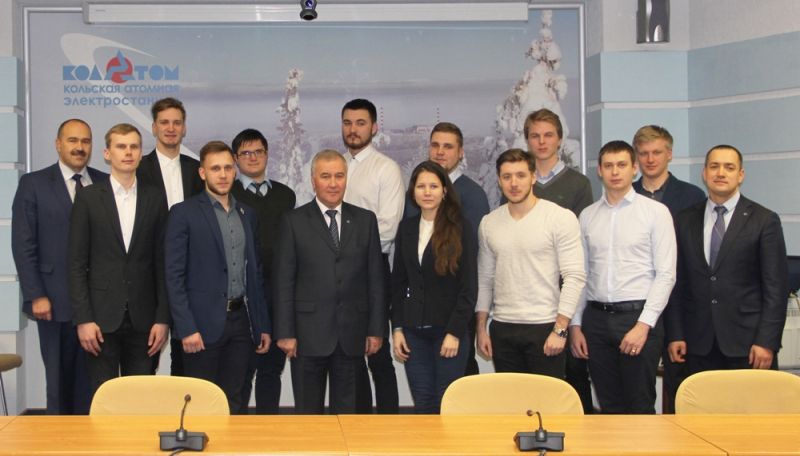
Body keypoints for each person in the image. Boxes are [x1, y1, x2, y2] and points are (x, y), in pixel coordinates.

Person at [273, 149, 385, 414]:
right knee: (308, 415)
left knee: (347, 415)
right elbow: (283, 281)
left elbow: (375, 280)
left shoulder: (365, 221)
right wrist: (285, 332)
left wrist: (376, 329)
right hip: (306, 336)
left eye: (339, 176)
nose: (333, 183)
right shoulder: (293, 221)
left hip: (351, 335)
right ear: (313, 180)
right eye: (325, 176)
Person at [165, 140, 271, 413]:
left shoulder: (248, 214)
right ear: (203, 173)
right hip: (201, 326)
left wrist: (261, 325)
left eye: (227, 168)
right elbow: (174, 276)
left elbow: (255, 274)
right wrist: (186, 327)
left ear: (235, 171)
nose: (222, 175)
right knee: (200, 404)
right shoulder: (183, 213)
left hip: (241, 323)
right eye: (215, 169)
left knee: (234, 399)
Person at [570, 140, 676, 414]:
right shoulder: (587, 216)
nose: (615, 172)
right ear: (599, 171)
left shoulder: (655, 213)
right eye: (608, 166)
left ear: (634, 168)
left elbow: (666, 275)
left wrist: (643, 325)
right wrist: (576, 325)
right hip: (596, 321)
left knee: (639, 405)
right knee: (609, 407)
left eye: (621, 165)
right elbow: (581, 274)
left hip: (637, 318)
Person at [11, 119, 107, 414]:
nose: (80, 147)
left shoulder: (105, 182)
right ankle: (60, 438)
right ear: (58, 144)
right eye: (72, 140)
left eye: (86, 141)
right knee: (59, 382)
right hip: (54, 301)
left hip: (99, 304)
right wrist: (36, 294)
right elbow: (23, 244)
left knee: (95, 386)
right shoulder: (34, 184)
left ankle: (92, 438)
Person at [666, 145, 788, 375]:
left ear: (740, 175)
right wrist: (675, 334)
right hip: (696, 345)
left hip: (749, 345)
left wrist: (767, 341)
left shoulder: (764, 220)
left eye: (729, 167)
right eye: (714, 166)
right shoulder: (684, 220)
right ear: (704, 174)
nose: (720, 173)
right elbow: (677, 283)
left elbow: (776, 289)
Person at [68, 123, 170, 393]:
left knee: (140, 398)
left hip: (144, 320)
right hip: (100, 320)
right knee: (104, 398)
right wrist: (83, 319)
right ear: (107, 153)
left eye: (134, 147)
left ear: (140, 153)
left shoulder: (155, 198)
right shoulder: (88, 198)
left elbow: (162, 263)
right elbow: (76, 264)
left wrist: (162, 319)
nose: (128, 152)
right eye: (121, 146)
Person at [476, 149, 585, 379]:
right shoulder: (489, 223)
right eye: (507, 177)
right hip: (502, 328)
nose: (514, 183)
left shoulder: (560, 218)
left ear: (533, 177)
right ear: (499, 181)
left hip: (545, 327)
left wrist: (560, 328)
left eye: (521, 175)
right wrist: (481, 328)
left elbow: (574, 276)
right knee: (511, 400)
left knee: (546, 401)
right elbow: (485, 279)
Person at [392, 161, 477, 413]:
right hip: (413, 333)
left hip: (448, 332)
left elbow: (469, 287)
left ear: (444, 191)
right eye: (421, 187)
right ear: (413, 192)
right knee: (423, 403)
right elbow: (398, 283)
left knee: (446, 404)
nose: (427, 192)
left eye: (433, 186)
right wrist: (397, 328)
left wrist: (454, 332)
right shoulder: (406, 228)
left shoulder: (461, 227)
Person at [631, 124, 705, 413]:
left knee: (679, 387)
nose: (650, 159)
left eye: (657, 152)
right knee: (639, 390)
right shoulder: (625, 194)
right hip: (637, 305)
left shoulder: (692, 196)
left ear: (670, 154)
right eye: (644, 153)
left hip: (680, 305)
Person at [405, 122, 489, 377]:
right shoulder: (416, 195)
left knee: (460, 377)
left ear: (461, 152)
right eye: (435, 145)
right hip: (422, 312)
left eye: (448, 147)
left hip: (456, 309)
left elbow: (474, 256)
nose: (440, 152)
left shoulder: (472, 194)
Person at [525, 108, 594, 412]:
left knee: (573, 375)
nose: (542, 142)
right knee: (532, 383)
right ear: (528, 140)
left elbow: (581, 245)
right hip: (530, 297)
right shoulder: (520, 182)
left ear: (559, 139)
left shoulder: (578, 184)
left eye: (548, 135)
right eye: (535, 136)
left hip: (566, 294)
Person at [341, 98, 402, 413]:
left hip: (372, 269)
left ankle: (388, 421)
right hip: (337, 272)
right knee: (350, 353)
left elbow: (388, 226)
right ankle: (359, 421)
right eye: (347, 123)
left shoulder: (386, 169)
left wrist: (346, 251)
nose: (353, 129)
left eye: (360, 123)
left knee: (377, 354)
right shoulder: (336, 166)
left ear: (374, 127)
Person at [136, 97, 204, 377]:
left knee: (188, 364)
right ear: (154, 127)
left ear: (184, 128)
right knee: (144, 365)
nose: (171, 128)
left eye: (177, 122)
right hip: (149, 278)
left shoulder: (197, 170)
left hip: (191, 277)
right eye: (164, 122)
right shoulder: (138, 169)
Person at [230, 128, 296, 414]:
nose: (253, 157)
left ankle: (269, 428)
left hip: (276, 297)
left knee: (271, 371)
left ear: (267, 155)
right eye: (245, 153)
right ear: (235, 159)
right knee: (241, 373)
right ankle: (236, 433)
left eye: (258, 151)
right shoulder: (228, 194)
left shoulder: (286, 195)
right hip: (243, 298)